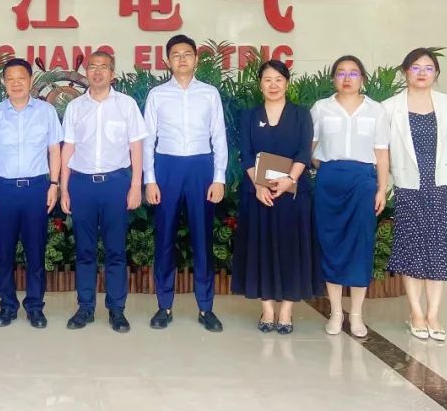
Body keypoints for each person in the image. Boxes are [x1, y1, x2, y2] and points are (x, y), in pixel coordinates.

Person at [142, 34, 228, 332]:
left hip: (200, 168)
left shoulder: (209, 94)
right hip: (167, 167)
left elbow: (219, 137)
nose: (181, 58)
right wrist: (150, 180)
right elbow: (148, 140)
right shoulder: (157, 95)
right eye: (176, 54)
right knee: (164, 237)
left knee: (202, 239)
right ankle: (164, 305)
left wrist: (219, 177)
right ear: (167, 61)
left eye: (187, 53)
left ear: (196, 59)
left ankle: (206, 308)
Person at [60, 51, 147, 333]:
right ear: (86, 72)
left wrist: (136, 186)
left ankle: (116, 309)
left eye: (103, 67)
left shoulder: (126, 105)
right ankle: (85, 307)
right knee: (84, 250)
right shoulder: (75, 107)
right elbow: (68, 149)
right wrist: (63, 188)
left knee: (115, 250)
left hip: (115, 184)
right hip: (82, 184)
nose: (97, 72)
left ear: (112, 73)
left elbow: (136, 148)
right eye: (92, 67)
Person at [383, 48, 447, 342]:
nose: (421, 72)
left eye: (428, 68)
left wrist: (438, 168)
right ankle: (416, 313)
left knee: (439, 247)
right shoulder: (389, 107)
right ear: (406, 71)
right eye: (416, 67)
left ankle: (433, 314)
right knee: (412, 248)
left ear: (436, 74)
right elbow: (383, 149)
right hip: (409, 185)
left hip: (443, 185)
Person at [232, 60, 321, 334]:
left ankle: (286, 311)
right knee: (261, 249)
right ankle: (268, 309)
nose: (273, 85)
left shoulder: (301, 114)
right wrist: (258, 186)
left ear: (287, 83)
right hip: (257, 194)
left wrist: (289, 180)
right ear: (260, 84)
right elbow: (245, 153)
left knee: (291, 250)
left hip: (293, 194)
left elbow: (304, 152)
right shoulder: (250, 115)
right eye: (268, 80)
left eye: (278, 79)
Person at [0, 58, 62, 329]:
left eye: (21, 78)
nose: (16, 84)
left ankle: (35, 307)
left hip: (36, 189)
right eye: (10, 79)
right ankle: (7, 306)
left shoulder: (46, 112)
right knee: (4, 252)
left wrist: (54, 184)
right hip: (2, 189)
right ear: (4, 82)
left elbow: (55, 150)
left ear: (30, 80)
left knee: (35, 251)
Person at [310, 55, 390, 338]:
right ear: (333, 78)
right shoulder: (321, 108)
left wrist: (381, 188)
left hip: (363, 183)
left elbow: (382, 153)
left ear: (362, 78)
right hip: (329, 182)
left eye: (353, 73)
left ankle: (356, 315)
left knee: (360, 246)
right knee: (330, 245)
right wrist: (326, 167)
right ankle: (335, 312)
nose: (347, 78)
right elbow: (310, 147)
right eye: (341, 73)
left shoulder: (376, 110)